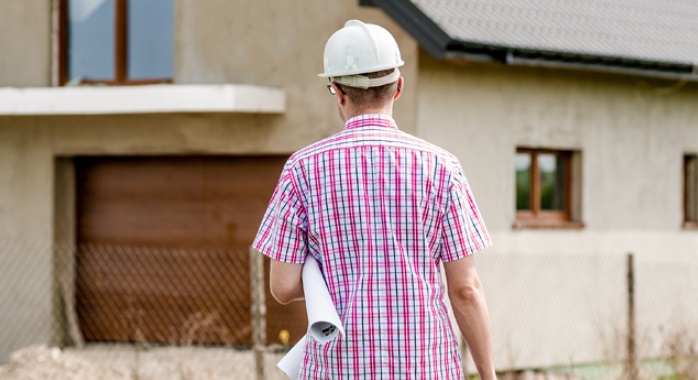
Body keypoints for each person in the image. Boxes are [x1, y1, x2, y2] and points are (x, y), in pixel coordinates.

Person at [253, 19, 496, 379]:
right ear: (397, 87)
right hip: (426, 368)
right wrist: (488, 375)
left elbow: (283, 287)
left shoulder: (301, 170)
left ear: (337, 91)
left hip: (337, 370)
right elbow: (465, 289)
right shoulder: (443, 168)